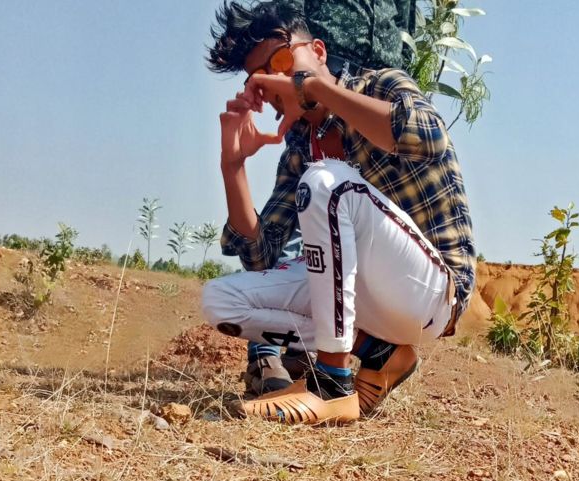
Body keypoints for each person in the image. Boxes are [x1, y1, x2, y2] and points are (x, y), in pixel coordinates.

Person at [202, 0, 476, 424]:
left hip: (431, 294)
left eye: (281, 62)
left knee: (325, 180)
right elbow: (261, 257)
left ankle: (331, 384)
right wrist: (232, 167)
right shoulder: (300, 148)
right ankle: (379, 352)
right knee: (221, 300)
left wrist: (316, 89)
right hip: (365, 301)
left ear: (319, 51)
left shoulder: (381, 85)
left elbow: (427, 136)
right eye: (261, 80)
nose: (276, 82)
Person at [244, 0, 417, 396]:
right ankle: (266, 348)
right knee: (306, 200)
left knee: (359, 217)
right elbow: (287, 16)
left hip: (372, 84)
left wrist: (400, 74)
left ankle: (323, 344)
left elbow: (405, 21)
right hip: (319, 76)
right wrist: (294, 73)